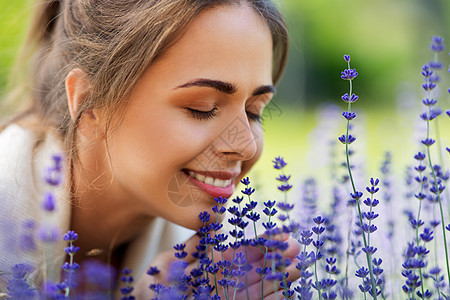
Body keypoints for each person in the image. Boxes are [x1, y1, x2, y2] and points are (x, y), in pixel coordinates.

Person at [0, 0, 299, 297]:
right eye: (202, 108)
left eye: (254, 111)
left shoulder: (208, 267)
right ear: (90, 105)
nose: (245, 146)